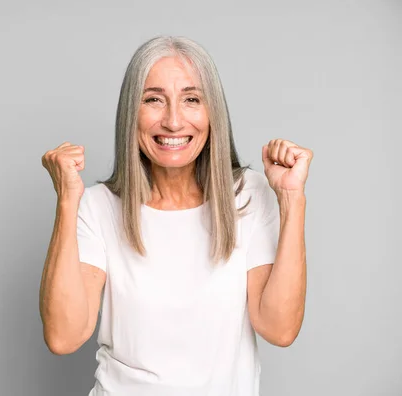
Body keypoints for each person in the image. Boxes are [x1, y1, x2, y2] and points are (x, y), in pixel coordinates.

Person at [39, 36, 313, 396]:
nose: (172, 121)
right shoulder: (96, 206)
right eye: (153, 99)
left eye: (191, 100)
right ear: (130, 113)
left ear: (212, 112)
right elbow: (64, 336)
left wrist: (291, 199)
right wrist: (67, 202)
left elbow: (280, 329)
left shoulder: (250, 195)